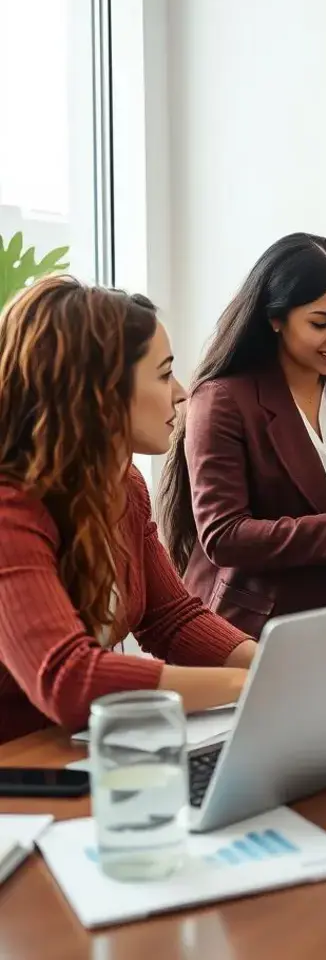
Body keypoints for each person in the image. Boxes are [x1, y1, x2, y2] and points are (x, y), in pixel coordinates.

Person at [0, 278, 256, 745]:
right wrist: (250, 685)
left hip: (74, 754)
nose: (181, 393)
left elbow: (172, 619)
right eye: (163, 374)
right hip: (21, 775)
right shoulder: (9, 510)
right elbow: (70, 679)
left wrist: (279, 665)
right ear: (96, 392)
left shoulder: (122, 486)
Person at [158, 233, 326, 639]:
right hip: (257, 630)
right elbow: (223, 536)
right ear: (275, 318)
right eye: (321, 322)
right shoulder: (222, 399)